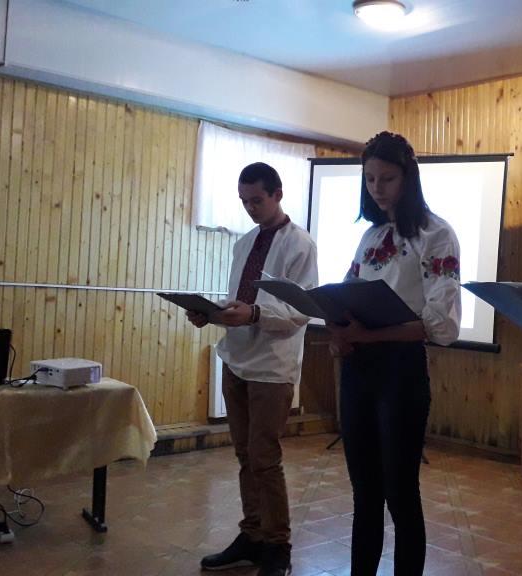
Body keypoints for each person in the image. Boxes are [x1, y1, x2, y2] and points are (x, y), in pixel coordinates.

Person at [326, 131, 461, 575]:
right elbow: (346, 296)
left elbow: (439, 324)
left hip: (400, 373)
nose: (377, 188)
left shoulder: (436, 234)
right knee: (364, 493)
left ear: (408, 177)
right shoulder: (370, 236)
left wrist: (368, 336)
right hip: (358, 370)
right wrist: (338, 330)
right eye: (369, 179)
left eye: (387, 178)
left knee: (401, 493)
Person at [188, 163, 317, 575]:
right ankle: (252, 535)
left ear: (278, 194)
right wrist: (211, 314)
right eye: (244, 201)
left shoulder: (300, 244)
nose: (250, 208)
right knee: (245, 455)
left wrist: (255, 313)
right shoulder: (244, 242)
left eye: (257, 200)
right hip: (237, 359)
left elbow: (302, 310)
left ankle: (278, 546)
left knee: (264, 457)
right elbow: (238, 300)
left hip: (272, 367)